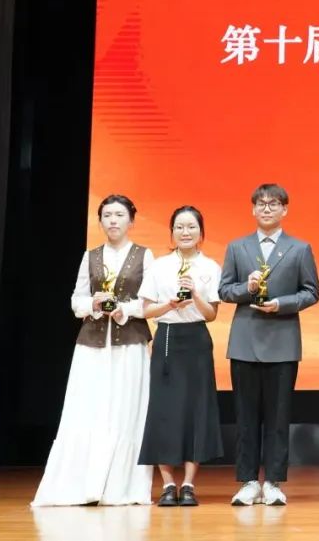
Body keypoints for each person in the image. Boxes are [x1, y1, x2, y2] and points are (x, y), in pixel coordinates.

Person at [32, 194, 154, 506]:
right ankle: (83, 484)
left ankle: (120, 487)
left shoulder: (144, 255)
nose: (113, 220)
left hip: (130, 344)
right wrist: (95, 304)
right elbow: (77, 301)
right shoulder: (91, 256)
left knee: (126, 409)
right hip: (92, 345)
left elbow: (149, 302)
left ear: (131, 220)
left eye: (119, 215)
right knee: (88, 408)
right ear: (100, 221)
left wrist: (124, 309)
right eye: (107, 215)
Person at [219, 183, 319, 506]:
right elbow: (224, 291)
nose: (266, 208)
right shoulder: (237, 247)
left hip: (282, 340)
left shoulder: (299, 248)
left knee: (278, 417)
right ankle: (249, 481)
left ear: (284, 210)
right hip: (245, 341)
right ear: (253, 209)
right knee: (245, 417)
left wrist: (282, 304)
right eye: (261, 203)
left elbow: (311, 292)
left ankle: (274, 481)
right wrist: (247, 289)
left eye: (273, 203)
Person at [138, 206, 224, 506]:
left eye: (191, 227)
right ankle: (167, 484)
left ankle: (188, 484)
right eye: (179, 227)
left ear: (201, 232)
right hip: (167, 337)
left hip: (197, 338)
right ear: (172, 232)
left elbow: (211, 314)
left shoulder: (210, 267)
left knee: (196, 409)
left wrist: (195, 294)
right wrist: (170, 305)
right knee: (165, 410)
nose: (185, 232)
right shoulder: (159, 266)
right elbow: (146, 310)